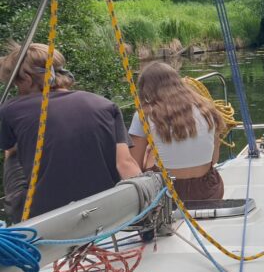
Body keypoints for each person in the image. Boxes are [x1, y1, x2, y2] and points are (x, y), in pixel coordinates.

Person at [0, 43, 141, 220]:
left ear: (27, 79)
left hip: (40, 214)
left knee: (11, 152)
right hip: (103, 210)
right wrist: (144, 201)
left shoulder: (11, 109)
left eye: (15, 84)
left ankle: (17, 215)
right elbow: (125, 163)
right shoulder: (105, 105)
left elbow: (11, 150)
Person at [129, 62, 226, 202]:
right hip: (208, 191)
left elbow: (134, 165)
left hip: (167, 193)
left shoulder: (144, 115)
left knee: (149, 154)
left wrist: (149, 154)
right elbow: (214, 159)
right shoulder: (207, 108)